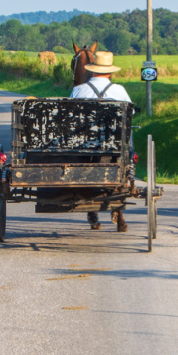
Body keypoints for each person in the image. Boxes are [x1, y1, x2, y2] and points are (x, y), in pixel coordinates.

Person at [70, 51, 131, 232]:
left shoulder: (79, 90)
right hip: (113, 146)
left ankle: (92, 210)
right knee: (126, 135)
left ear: (92, 70)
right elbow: (131, 113)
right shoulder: (119, 90)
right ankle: (127, 174)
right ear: (110, 72)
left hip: (83, 145)